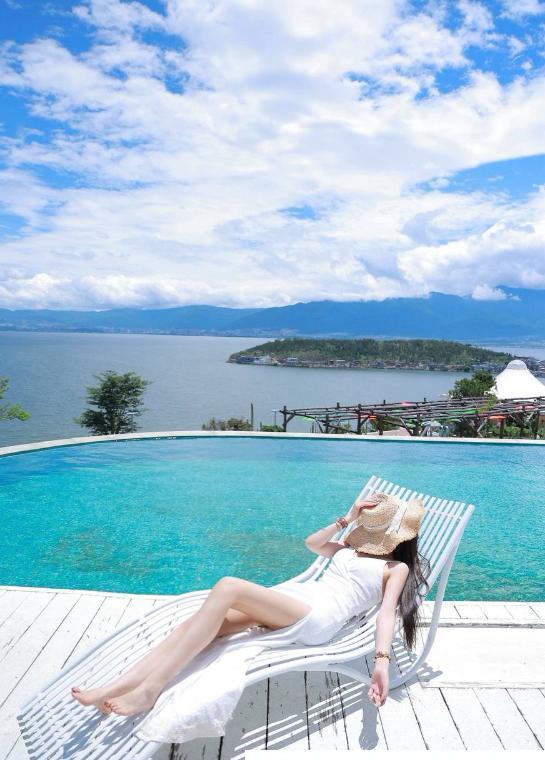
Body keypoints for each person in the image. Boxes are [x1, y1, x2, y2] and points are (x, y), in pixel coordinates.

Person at [71, 490, 429, 717]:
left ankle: (150, 690)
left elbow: (386, 615)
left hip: (319, 616)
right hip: (297, 600)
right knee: (194, 626)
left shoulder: (395, 568)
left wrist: (381, 663)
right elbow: (312, 543)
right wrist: (347, 517)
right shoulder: (349, 549)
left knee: (229, 586)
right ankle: (115, 687)